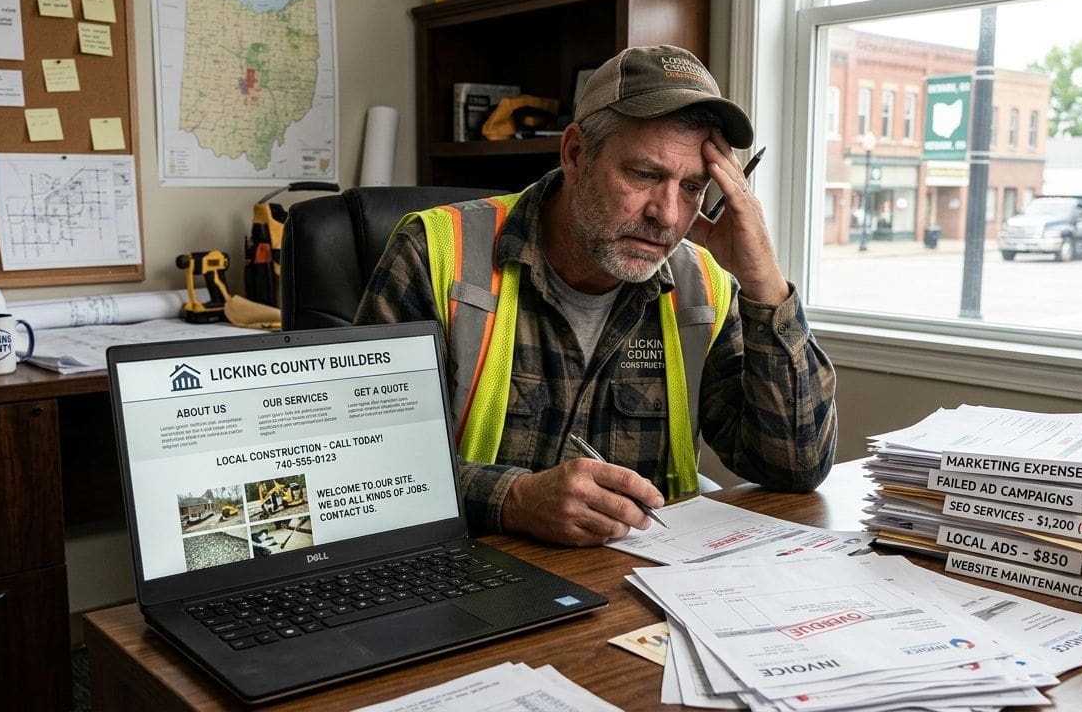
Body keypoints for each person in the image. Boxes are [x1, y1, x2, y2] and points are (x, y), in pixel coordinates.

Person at [356, 45, 837, 546]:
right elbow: (370, 464)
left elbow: (795, 468)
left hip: (645, 587)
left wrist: (765, 283)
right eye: (645, 175)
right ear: (576, 155)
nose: (668, 215)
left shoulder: (706, 287)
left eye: (693, 187)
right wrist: (512, 499)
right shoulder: (437, 254)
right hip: (465, 572)